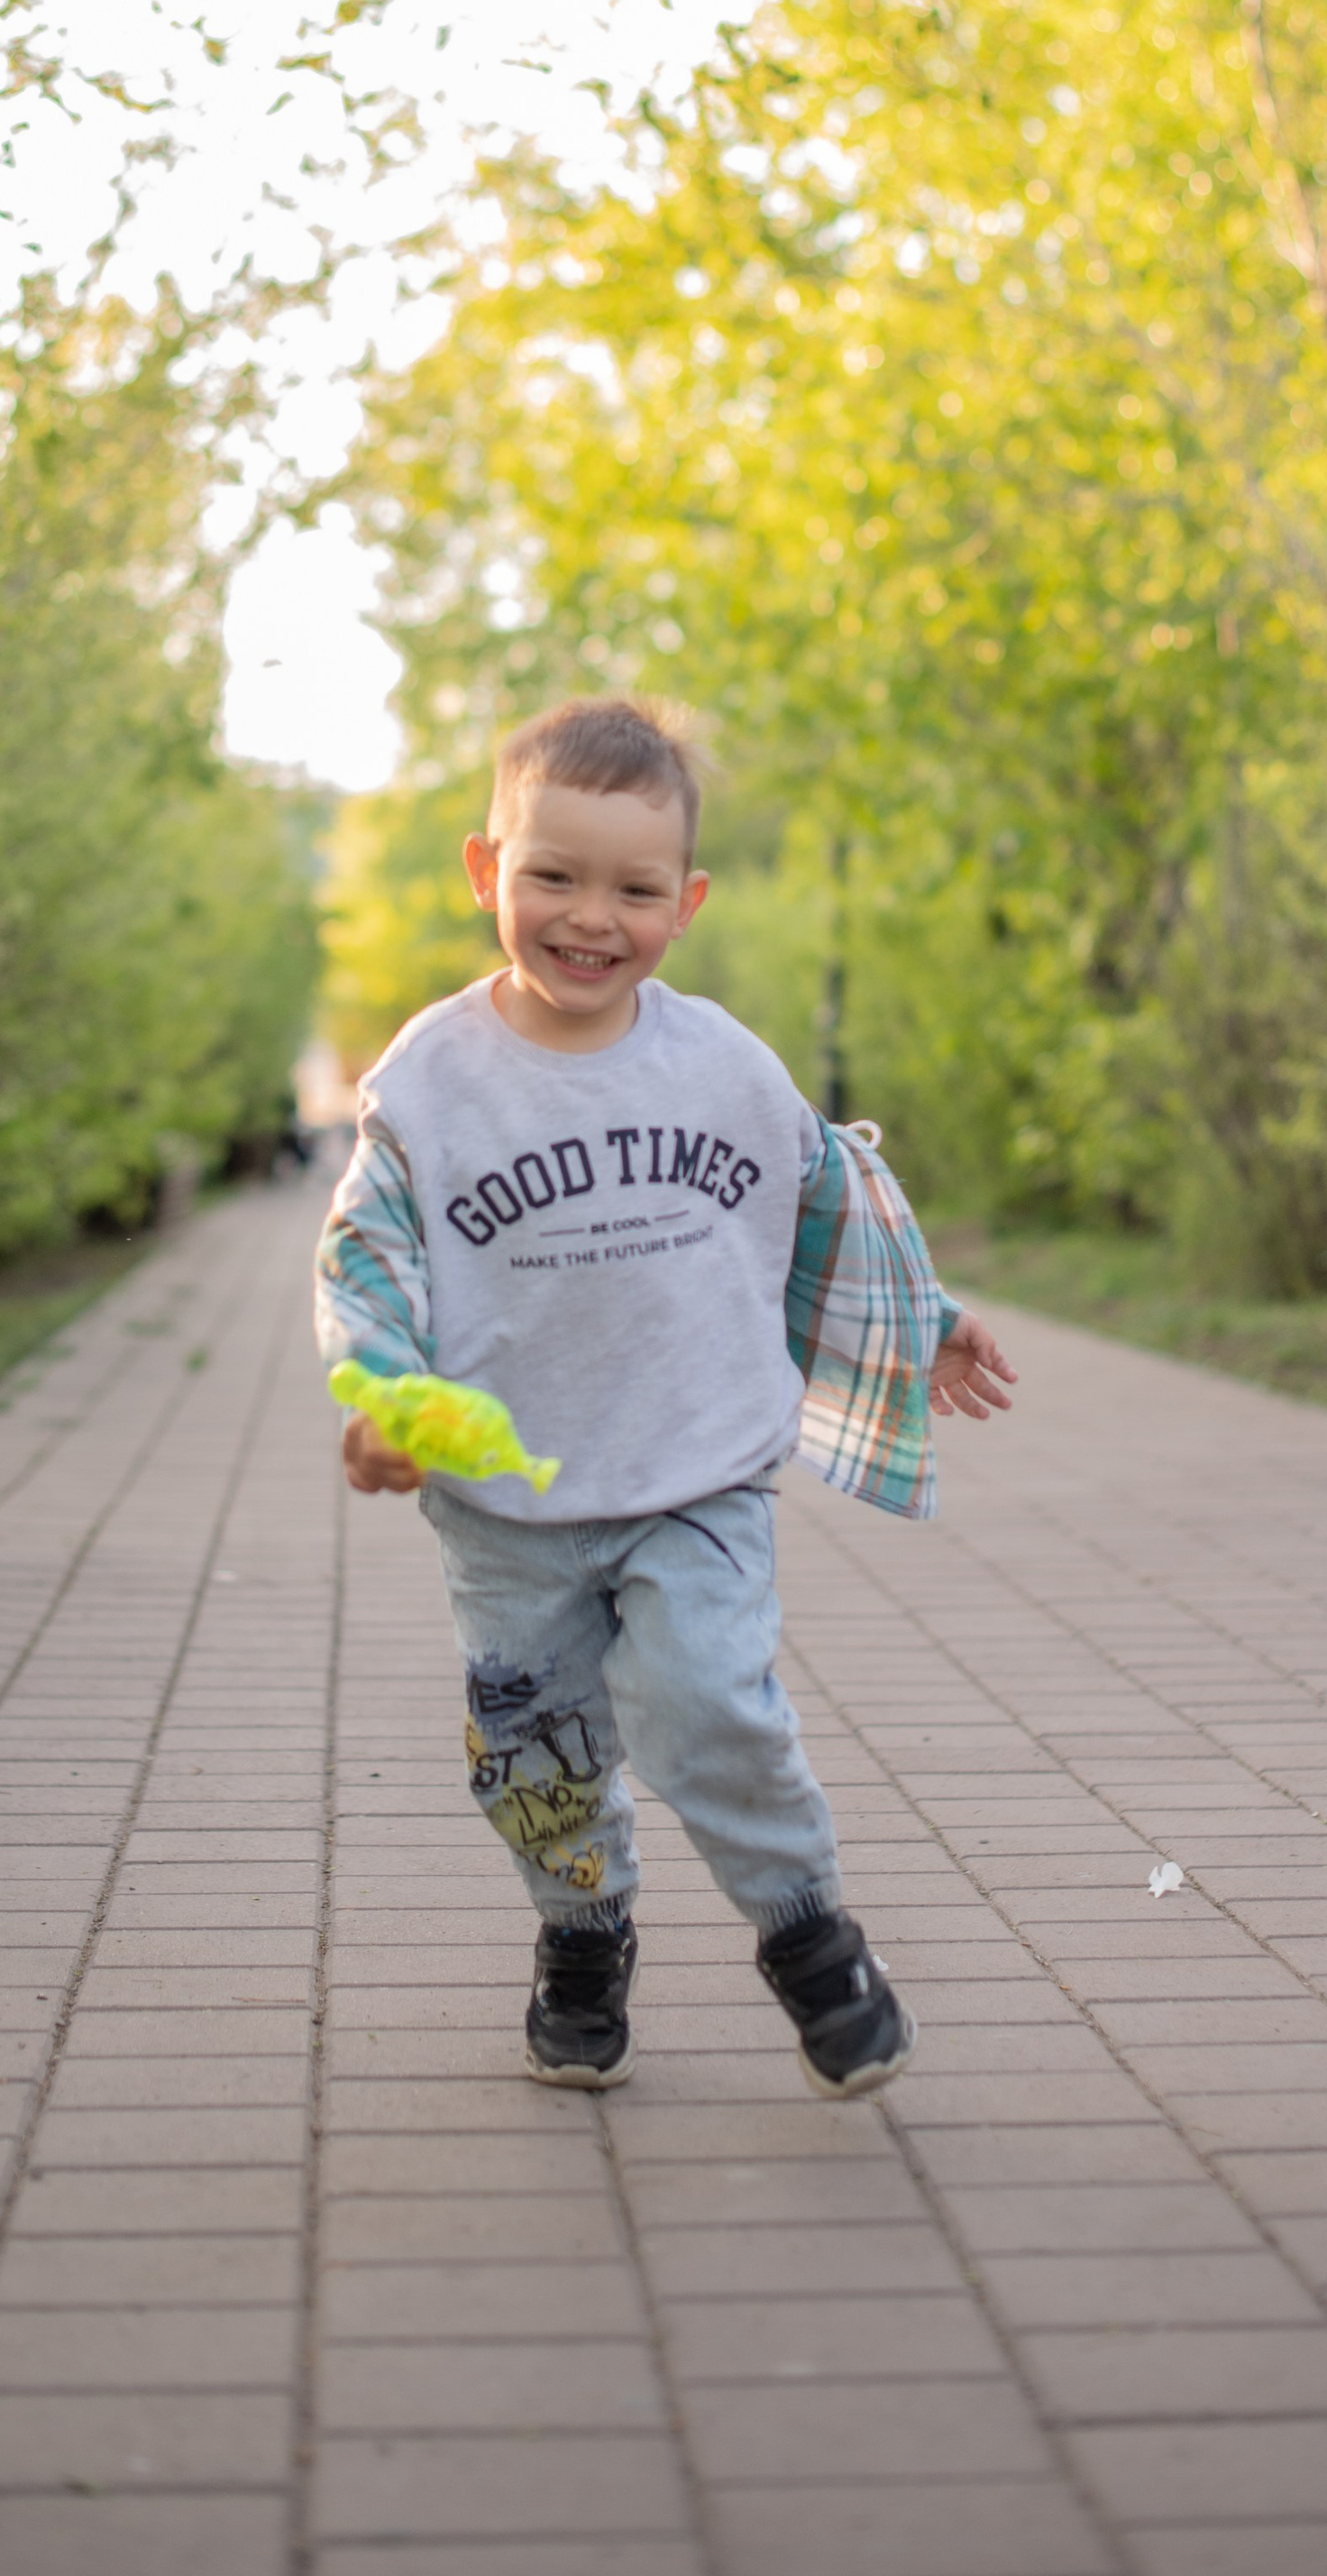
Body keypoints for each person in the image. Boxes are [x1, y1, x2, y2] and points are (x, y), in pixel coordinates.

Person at [313, 696, 1014, 2097]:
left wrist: (921, 1318)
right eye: (552, 876)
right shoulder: (434, 1084)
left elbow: (825, 1197)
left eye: (633, 889)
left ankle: (811, 1940)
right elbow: (368, 1254)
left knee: (707, 1698)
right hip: (511, 1506)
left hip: (697, 1472)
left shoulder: (720, 1067)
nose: (589, 917)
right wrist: (387, 1399)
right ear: (482, 872)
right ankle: (582, 1935)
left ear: (684, 903)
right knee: (536, 1753)